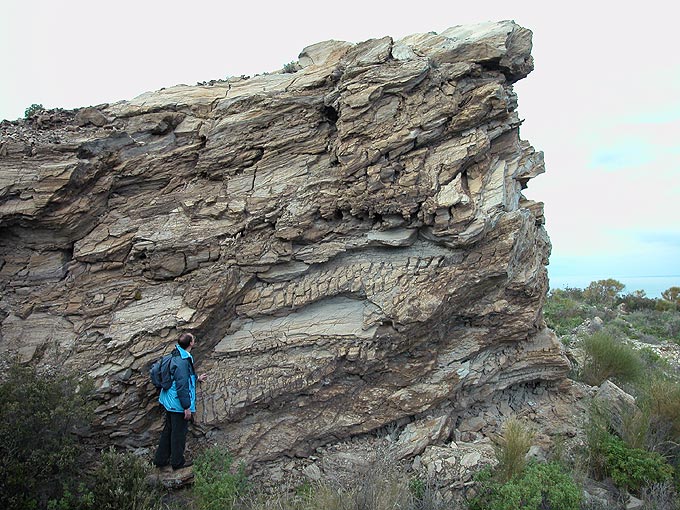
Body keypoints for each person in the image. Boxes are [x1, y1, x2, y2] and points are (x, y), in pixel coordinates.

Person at [154, 332, 208, 470]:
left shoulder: (176, 354)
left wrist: (196, 378)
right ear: (191, 343)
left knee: (168, 431)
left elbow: (183, 375)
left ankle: (160, 460)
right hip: (177, 403)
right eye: (193, 339)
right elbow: (182, 385)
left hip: (168, 400)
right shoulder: (183, 361)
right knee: (178, 434)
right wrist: (186, 407)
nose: (194, 340)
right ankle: (177, 463)